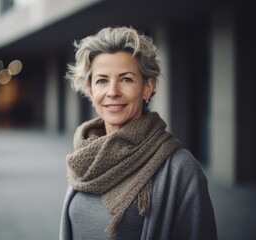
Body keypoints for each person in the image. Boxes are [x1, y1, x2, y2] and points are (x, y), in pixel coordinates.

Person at [60, 26, 217, 240]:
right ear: (90, 90)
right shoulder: (85, 158)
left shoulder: (180, 169)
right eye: (102, 80)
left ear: (147, 87)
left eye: (126, 79)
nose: (113, 91)